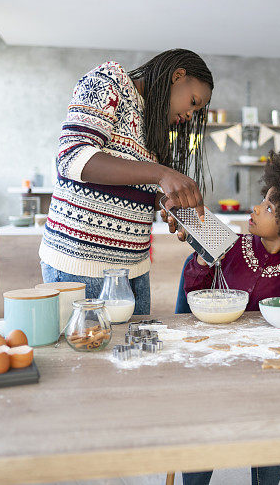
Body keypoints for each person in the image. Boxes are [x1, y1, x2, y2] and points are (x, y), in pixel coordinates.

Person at [168, 151, 280, 485]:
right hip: (217, 356)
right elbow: (194, 291)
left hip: (265, 367)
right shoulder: (231, 245)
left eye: (270, 207)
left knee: (271, 426)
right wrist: (201, 263)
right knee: (206, 423)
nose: (257, 208)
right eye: (263, 200)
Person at [39, 49, 213, 314]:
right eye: (193, 101)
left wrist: (164, 202)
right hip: (82, 266)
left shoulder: (154, 122)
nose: (190, 115)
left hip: (135, 270)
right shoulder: (110, 81)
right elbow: (71, 158)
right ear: (178, 76)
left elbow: (134, 188)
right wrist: (161, 173)